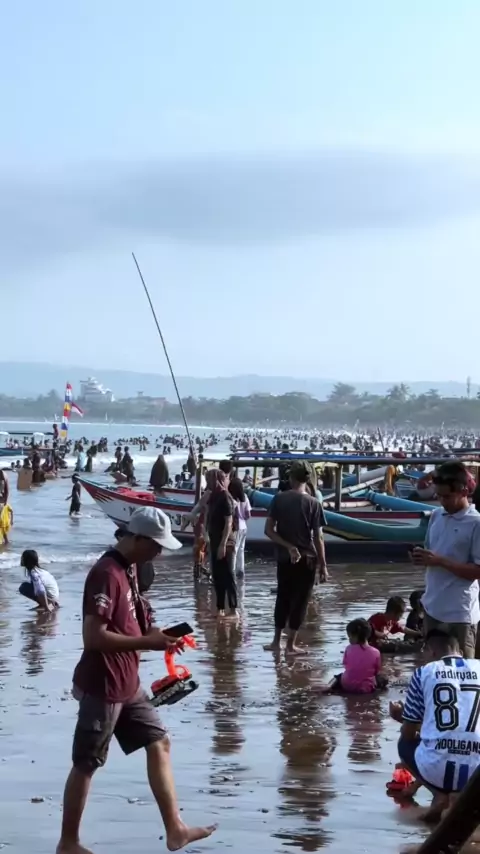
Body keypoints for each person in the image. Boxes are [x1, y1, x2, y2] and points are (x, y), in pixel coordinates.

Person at [56, 506, 216, 854]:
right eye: (156, 546)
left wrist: (163, 637)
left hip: (128, 682)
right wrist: (147, 642)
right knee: (86, 763)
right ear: (138, 538)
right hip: (104, 683)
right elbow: (93, 637)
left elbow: (139, 623)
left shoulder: (131, 569)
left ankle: (175, 829)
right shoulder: (106, 573)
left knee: (159, 741)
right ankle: (68, 842)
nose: (159, 553)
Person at [394, 627, 480, 820]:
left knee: (404, 744)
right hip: (475, 774)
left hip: (436, 770)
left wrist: (400, 716)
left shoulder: (423, 673)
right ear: (459, 650)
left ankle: (439, 794)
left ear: (431, 651)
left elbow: (409, 733)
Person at [411, 461, 480, 659]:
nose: (442, 501)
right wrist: (421, 557)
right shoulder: (436, 516)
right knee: (433, 669)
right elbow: (431, 552)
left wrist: (440, 561)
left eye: (447, 496)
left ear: (464, 491)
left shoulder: (476, 523)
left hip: (461, 614)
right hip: (432, 608)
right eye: (439, 496)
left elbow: (477, 571)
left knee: (464, 671)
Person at [264, 460, 328, 655]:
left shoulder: (279, 499)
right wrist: (323, 565)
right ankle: (290, 645)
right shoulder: (314, 503)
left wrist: (288, 546)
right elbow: (318, 538)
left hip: (285, 558)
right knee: (301, 601)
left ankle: (276, 642)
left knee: (282, 598)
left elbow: (269, 531)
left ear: (291, 477)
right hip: (307, 559)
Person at [325, 617, 385, 694]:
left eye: (350, 637)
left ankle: (328, 687)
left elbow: (345, 664)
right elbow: (377, 671)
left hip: (347, 685)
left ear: (355, 636)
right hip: (367, 688)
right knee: (383, 678)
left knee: (338, 676)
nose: (349, 640)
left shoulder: (348, 648)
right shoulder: (376, 652)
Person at [207, 470, 238, 617]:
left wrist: (223, 544)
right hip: (214, 540)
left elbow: (228, 523)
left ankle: (233, 609)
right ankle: (220, 608)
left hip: (226, 542)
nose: (207, 483)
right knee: (217, 575)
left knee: (228, 575)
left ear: (216, 480)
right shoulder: (212, 496)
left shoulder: (225, 497)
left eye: (209, 479)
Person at [229, 477, 251, 579]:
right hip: (244, 526)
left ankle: (232, 571)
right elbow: (248, 515)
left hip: (236, 527)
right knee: (241, 550)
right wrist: (243, 517)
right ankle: (241, 571)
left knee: (234, 549)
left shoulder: (232, 499)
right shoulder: (245, 497)